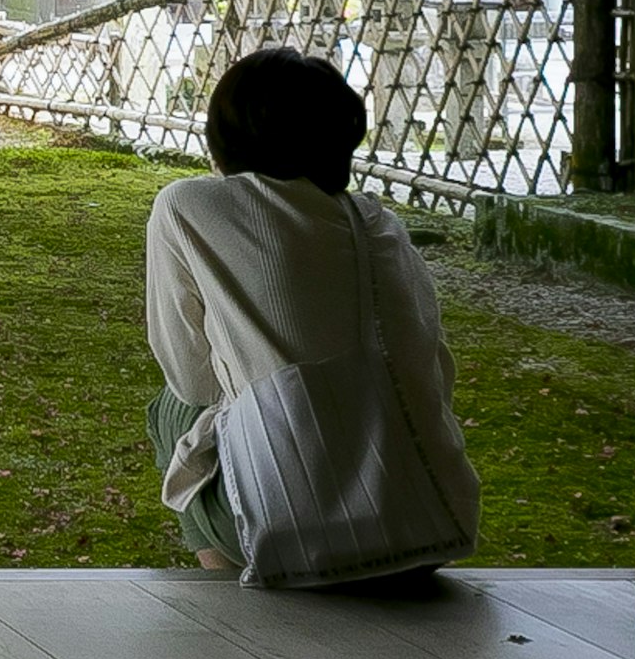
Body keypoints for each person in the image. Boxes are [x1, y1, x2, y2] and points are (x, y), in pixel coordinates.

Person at [145, 46, 479, 587]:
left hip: (304, 535)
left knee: (170, 411)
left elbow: (193, 380)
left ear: (224, 134)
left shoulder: (189, 206)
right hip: (436, 523)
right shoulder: (382, 225)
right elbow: (438, 373)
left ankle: (237, 587)